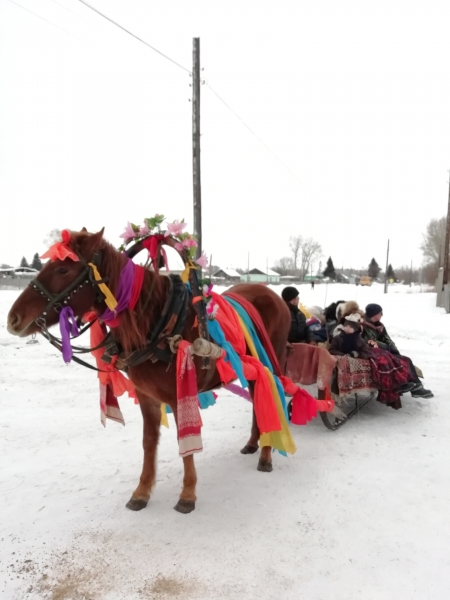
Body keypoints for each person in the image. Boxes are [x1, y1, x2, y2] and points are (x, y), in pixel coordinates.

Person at [329, 313, 416, 409]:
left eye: (350, 326)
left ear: (356, 328)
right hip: (342, 357)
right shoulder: (338, 338)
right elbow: (331, 349)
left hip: (357, 356)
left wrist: (355, 354)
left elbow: (365, 352)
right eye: (346, 326)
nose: (347, 328)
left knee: (386, 359)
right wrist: (343, 355)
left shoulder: (359, 340)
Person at [362, 303, 433, 399]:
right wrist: (387, 347)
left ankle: (417, 388)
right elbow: (371, 342)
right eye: (380, 313)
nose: (382, 315)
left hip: (385, 351)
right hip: (373, 353)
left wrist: (392, 348)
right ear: (375, 314)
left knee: (406, 360)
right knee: (395, 361)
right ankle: (401, 383)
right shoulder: (364, 326)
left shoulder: (380, 326)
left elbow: (388, 339)